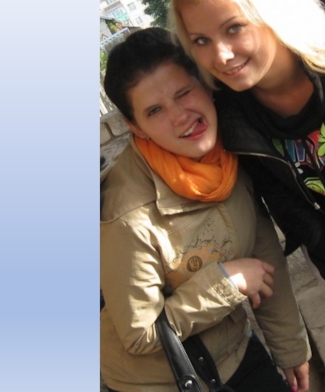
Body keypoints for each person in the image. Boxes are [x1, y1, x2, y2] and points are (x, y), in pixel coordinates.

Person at [170, 0, 325, 357]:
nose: (221, 56)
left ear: (273, 11)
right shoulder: (232, 115)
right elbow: (287, 204)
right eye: (201, 40)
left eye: (234, 28)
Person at [100, 27, 311, 392]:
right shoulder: (127, 217)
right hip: (160, 382)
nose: (180, 116)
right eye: (154, 110)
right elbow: (140, 334)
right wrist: (225, 283)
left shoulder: (229, 153)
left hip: (235, 352)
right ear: (136, 126)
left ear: (205, 83)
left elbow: (263, 255)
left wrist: (291, 348)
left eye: (184, 92)